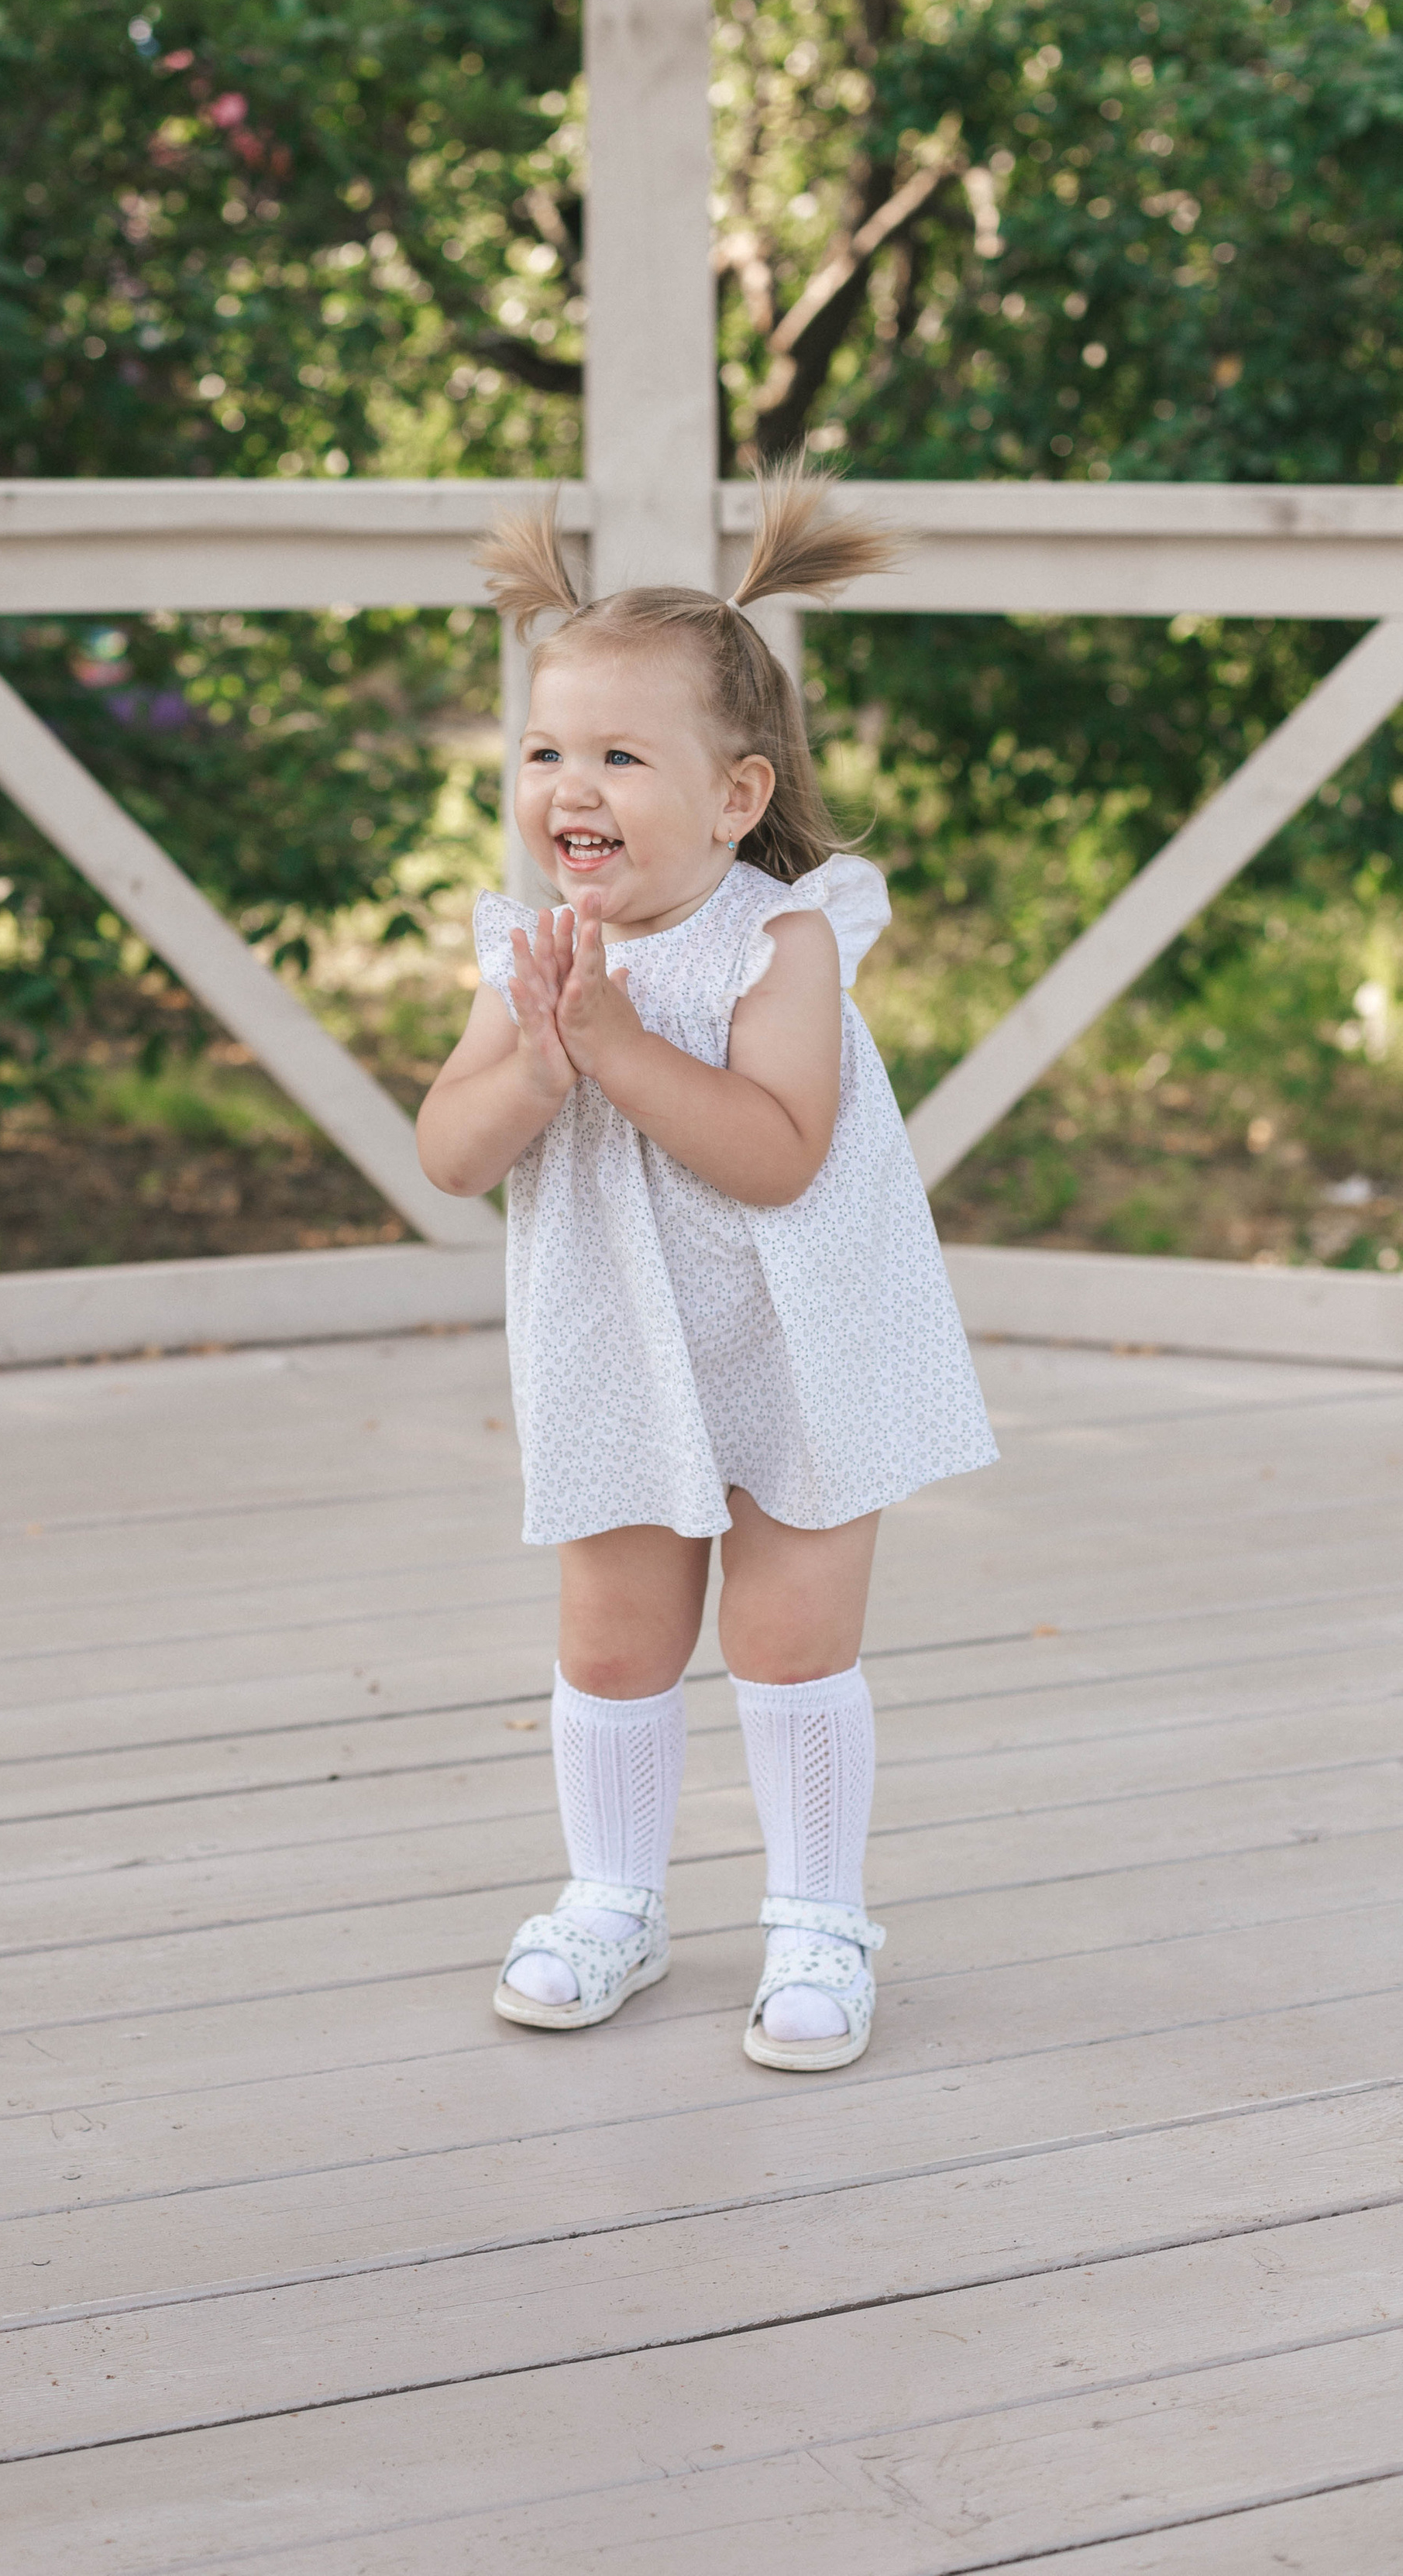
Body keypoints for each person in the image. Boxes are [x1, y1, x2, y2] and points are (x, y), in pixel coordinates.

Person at [415, 473, 997, 2071]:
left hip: (796, 1347)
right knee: (611, 1640)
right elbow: (448, 1153)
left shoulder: (778, 940)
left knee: (790, 1636)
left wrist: (608, 1043)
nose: (565, 788)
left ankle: (816, 1917)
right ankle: (611, 1897)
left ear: (736, 794)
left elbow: (773, 1151)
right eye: (542, 752)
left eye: (615, 755)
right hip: (618, 1346)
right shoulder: (525, 949)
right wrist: (534, 1066)